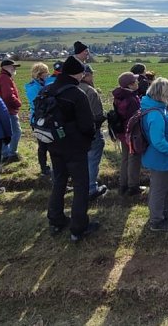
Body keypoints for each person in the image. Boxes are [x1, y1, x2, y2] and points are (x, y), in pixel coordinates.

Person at [46, 57, 100, 241]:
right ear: (77, 74)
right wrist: (88, 140)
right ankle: (78, 228)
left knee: (59, 181)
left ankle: (55, 219)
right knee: (80, 186)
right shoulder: (77, 94)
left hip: (53, 144)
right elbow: (87, 125)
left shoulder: (48, 90)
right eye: (82, 73)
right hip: (75, 147)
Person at [139, 78, 168, 232]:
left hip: (159, 157)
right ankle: (156, 221)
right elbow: (158, 142)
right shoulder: (155, 115)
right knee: (159, 189)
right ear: (163, 94)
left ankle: (159, 212)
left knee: (159, 187)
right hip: (160, 159)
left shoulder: (154, 107)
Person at [79, 65, 108, 201]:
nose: (93, 77)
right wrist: (105, 116)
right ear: (86, 75)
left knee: (80, 160)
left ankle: (80, 187)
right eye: (91, 75)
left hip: (75, 132)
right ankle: (91, 188)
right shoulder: (90, 91)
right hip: (91, 131)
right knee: (92, 159)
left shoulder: (71, 88)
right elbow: (97, 115)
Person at [112, 72, 143, 196]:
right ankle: (133, 186)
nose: (137, 82)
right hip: (132, 133)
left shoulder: (118, 96)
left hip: (122, 132)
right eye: (135, 81)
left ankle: (122, 185)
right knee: (134, 159)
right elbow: (135, 118)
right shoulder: (132, 99)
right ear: (130, 85)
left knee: (125, 159)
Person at [25, 62, 52, 176]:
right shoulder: (34, 88)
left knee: (47, 144)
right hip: (39, 119)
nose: (48, 74)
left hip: (42, 118)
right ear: (40, 74)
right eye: (46, 72)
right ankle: (44, 168)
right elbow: (38, 104)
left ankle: (50, 167)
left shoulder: (40, 85)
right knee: (43, 145)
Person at [0, 59, 23, 164]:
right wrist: (18, 103)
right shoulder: (5, 78)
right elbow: (8, 96)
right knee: (16, 132)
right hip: (9, 110)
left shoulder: (0, 77)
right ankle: (12, 154)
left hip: (2, 110)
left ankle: (5, 155)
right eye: (13, 66)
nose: (14, 68)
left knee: (5, 133)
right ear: (6, 67)